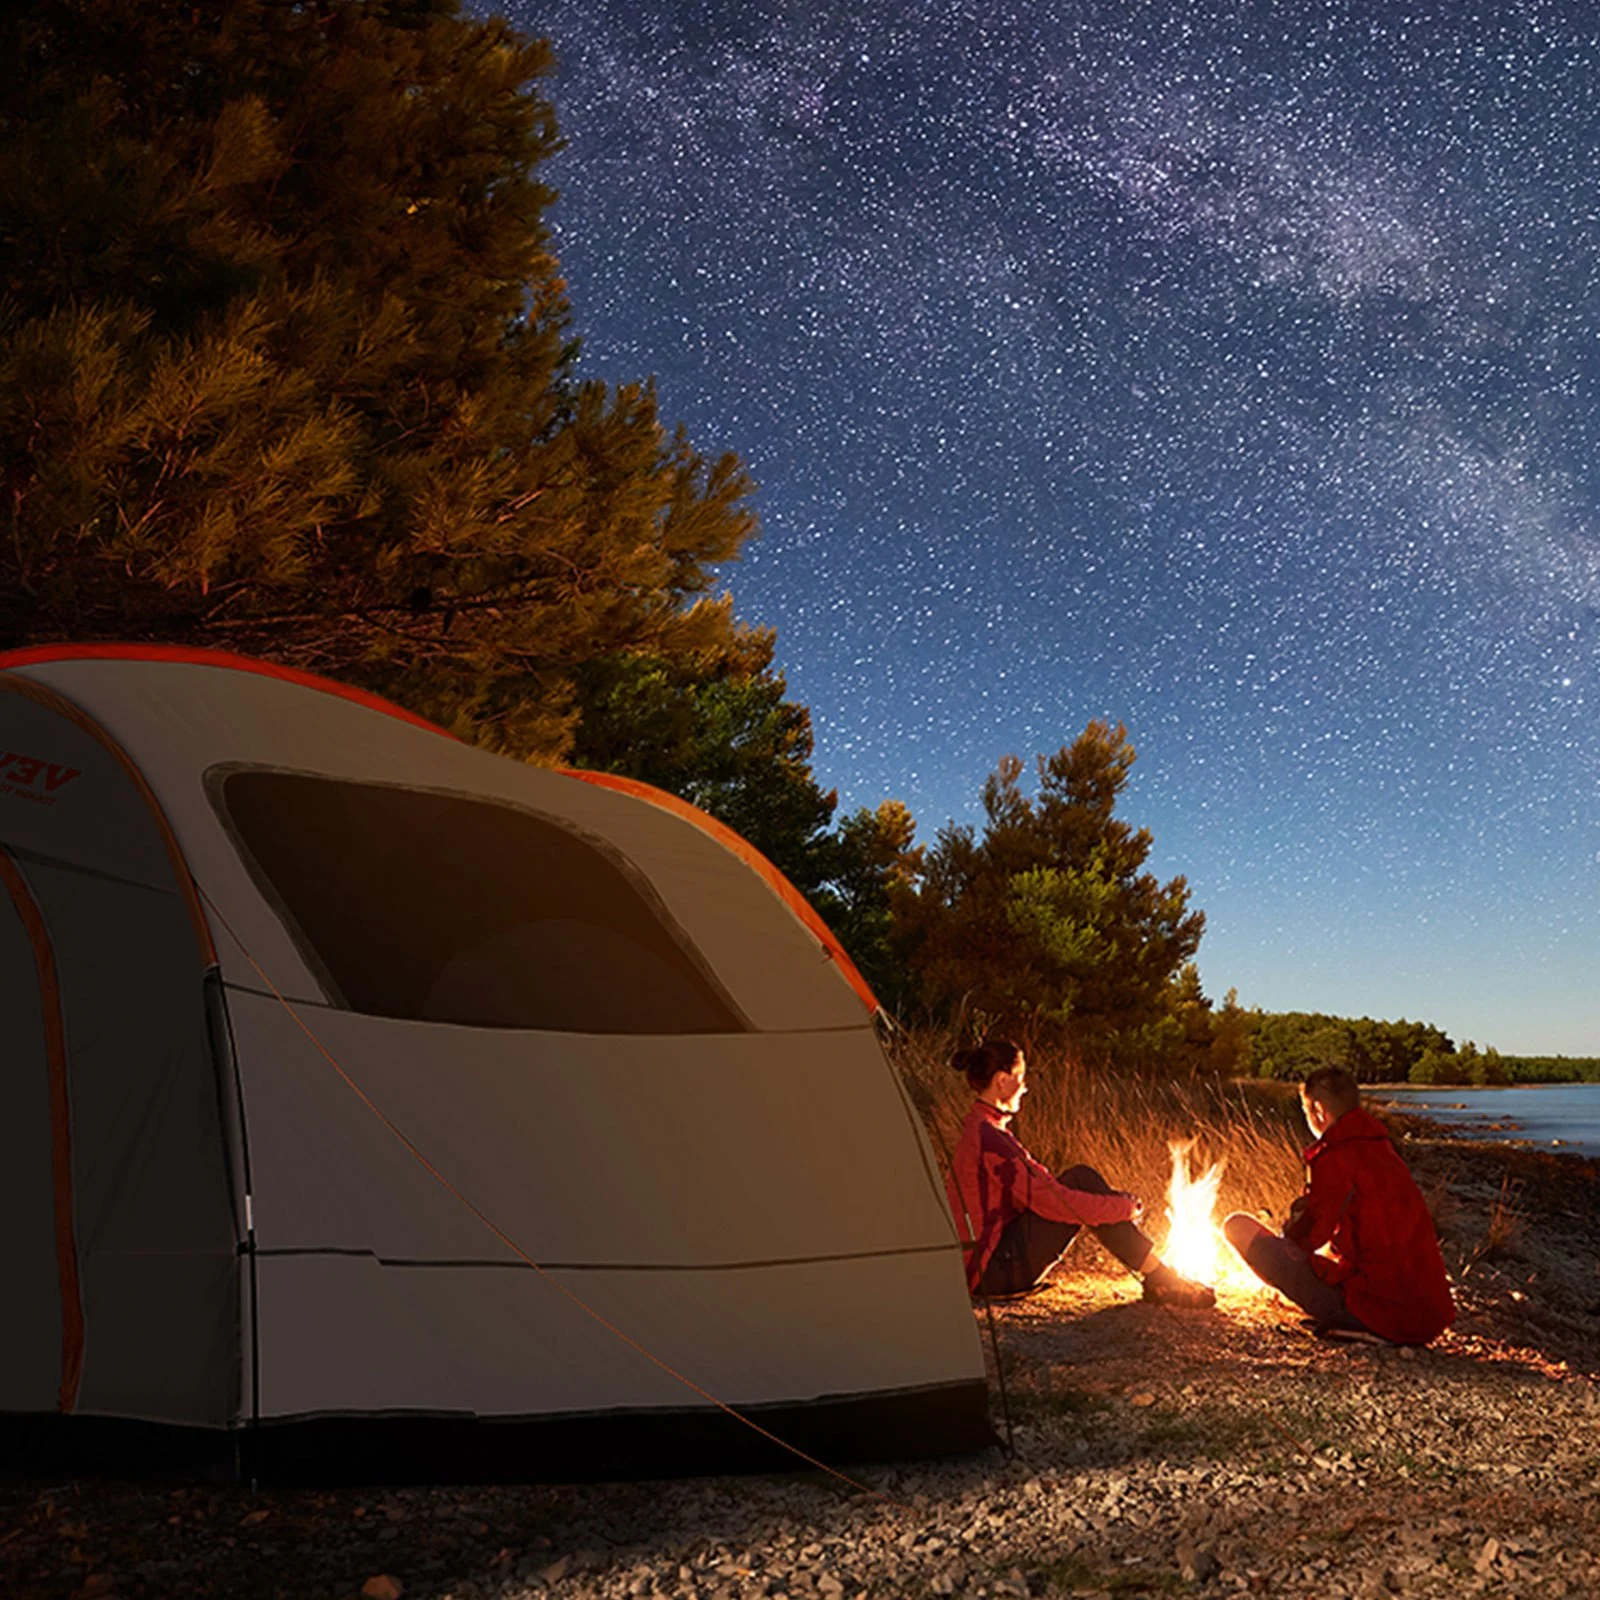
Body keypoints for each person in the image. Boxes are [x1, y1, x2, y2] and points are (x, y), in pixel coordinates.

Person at [945, 1038, 1215, 1307]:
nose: (1025, 1088)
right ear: (1002, 1081)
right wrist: (1123, 1208)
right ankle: (1161, 1278)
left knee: (1080, 1179)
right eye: (1021, 1078)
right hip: (991, 1273)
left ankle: (1159, 1277)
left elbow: (1040, 1187)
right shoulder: (990, 1139)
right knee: (1082, 1182)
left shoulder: (983, 1128)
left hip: (986, 1265)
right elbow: (1055, 1203)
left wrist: (1113, 1202)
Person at [1223, 1066, 1455, 1345]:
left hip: (1377, 1313)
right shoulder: (1383, 1149)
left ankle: (1364, 1329)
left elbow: (1309, 1237)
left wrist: (1285, 1241)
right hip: (1427, 1319)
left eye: (1306, 1112)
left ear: (1318, 1110)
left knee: (1237, 1226)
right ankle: (1366, 1324)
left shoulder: (1335, 1155)